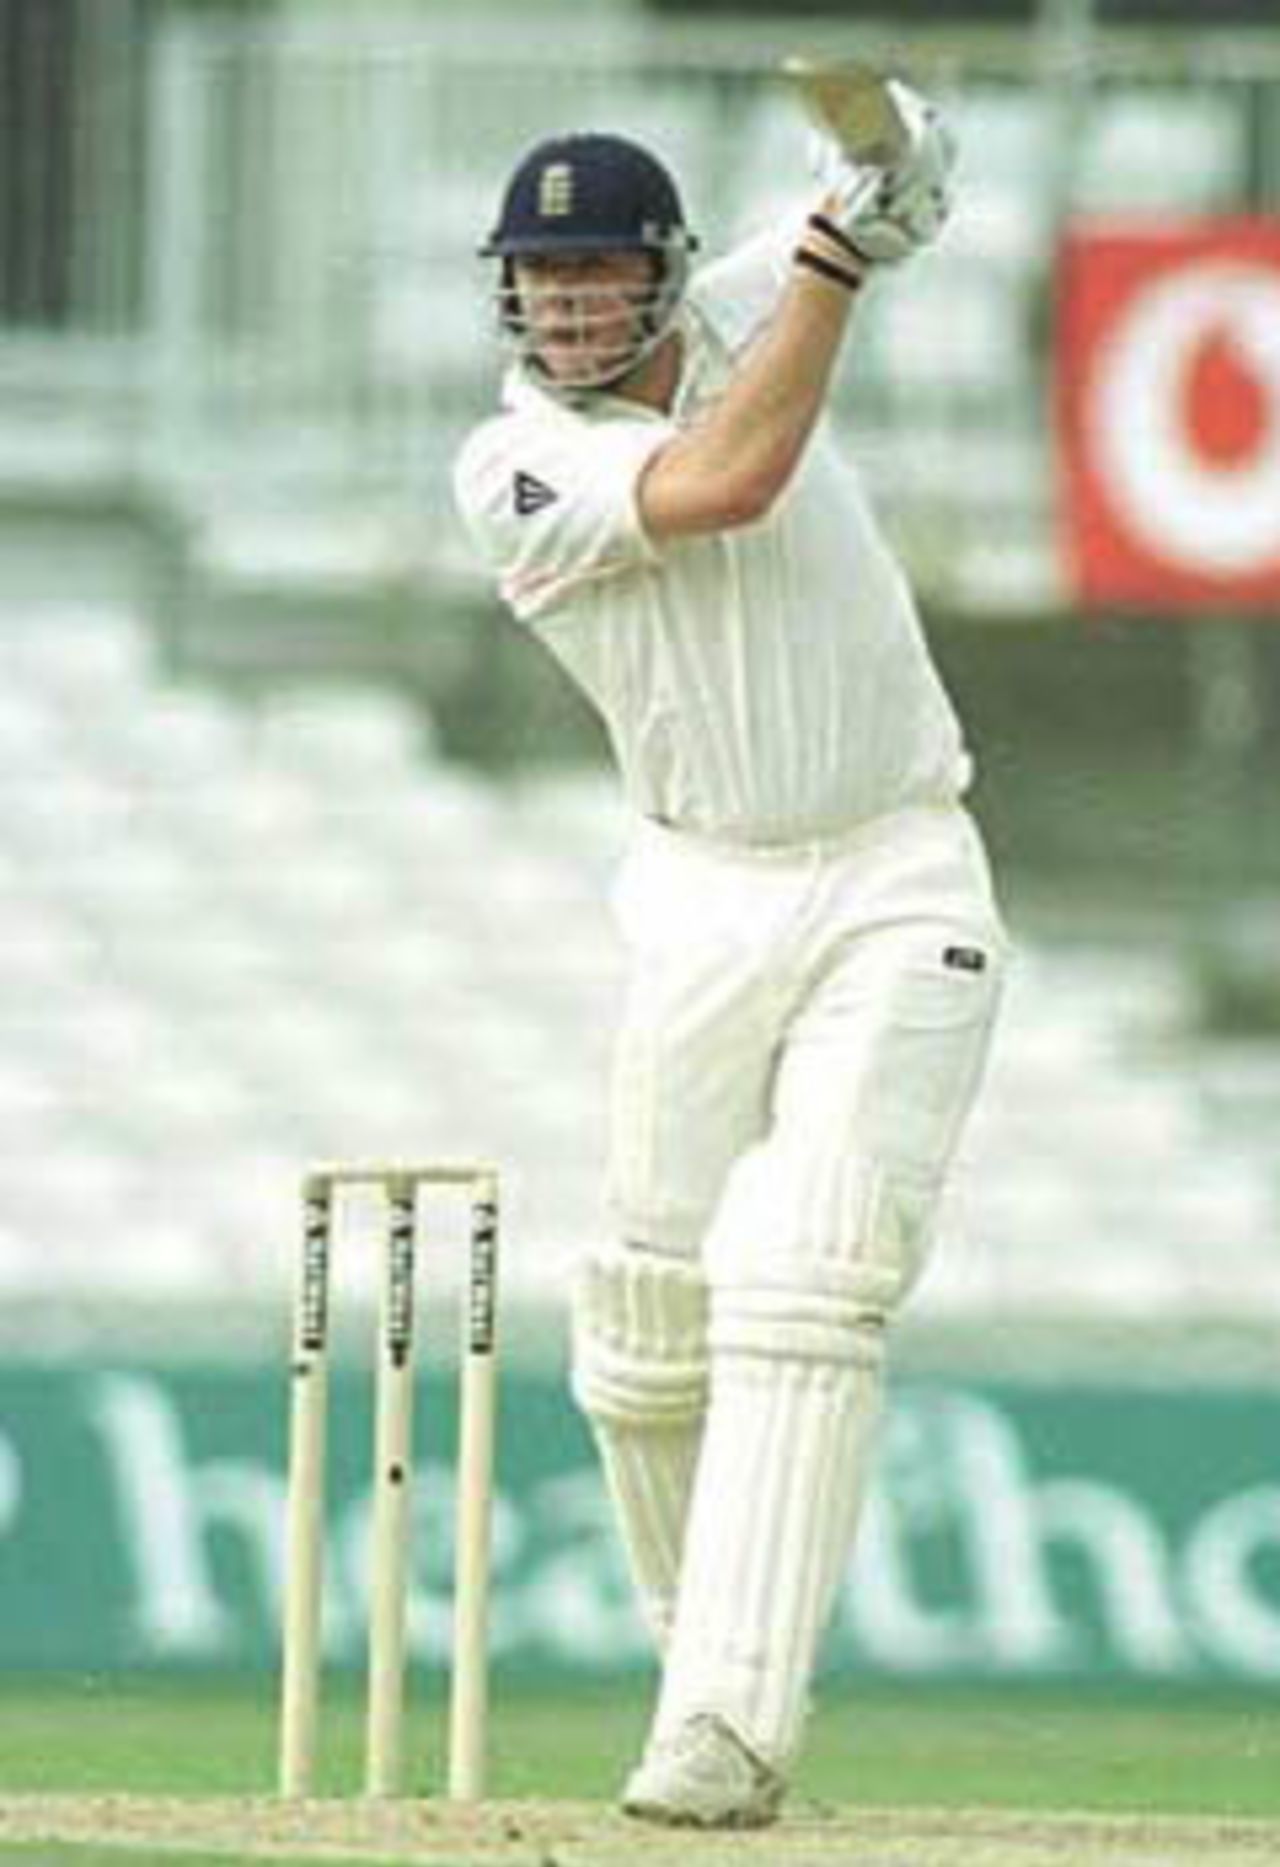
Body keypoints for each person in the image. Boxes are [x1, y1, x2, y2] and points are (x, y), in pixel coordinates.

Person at [453, 88, 1008, 1829]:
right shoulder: (513, 468)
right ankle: (702, 1671)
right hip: (697, 895)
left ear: (663, 273)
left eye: (599, 275)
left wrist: (892, 149)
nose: (568, 308)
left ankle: (727, 1730)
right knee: (643, 1320)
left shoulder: (743, 298)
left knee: (809, 1265)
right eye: (541, 281)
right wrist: (838, 253)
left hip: (897, 866)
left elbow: (894, 190)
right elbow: (733, 477)